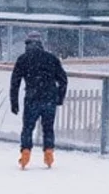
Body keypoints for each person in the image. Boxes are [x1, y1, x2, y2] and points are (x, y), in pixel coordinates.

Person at [9, 31, 67, 170]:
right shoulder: (51, 58)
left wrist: (14, 102)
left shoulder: (23, 59)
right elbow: (63, 79)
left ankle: (25, 153)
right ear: (41, 43)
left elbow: (15, 82)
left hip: (32, 98)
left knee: (28, 128)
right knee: (48, 128)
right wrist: (59, 97)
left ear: (27, 44)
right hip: (49, 98)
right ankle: (48, 153)